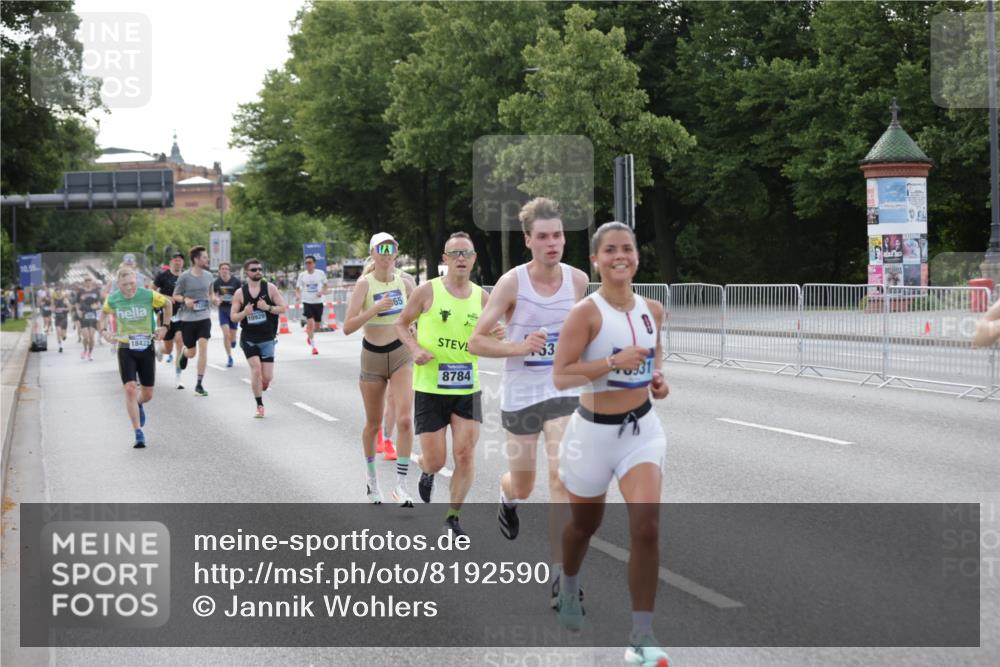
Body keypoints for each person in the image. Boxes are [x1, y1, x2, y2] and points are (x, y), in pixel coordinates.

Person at [550, 221, 671, 667]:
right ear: (596, 260)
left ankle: (641, 635)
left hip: (641, 431)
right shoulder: (586, 313)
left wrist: (658, 381)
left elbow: (655, 359)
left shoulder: (654, 310)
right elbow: (561, 375)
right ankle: (568, 584)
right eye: (610, 250)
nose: (620, 256)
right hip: (593, 434)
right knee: (584, 526)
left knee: (647, 527)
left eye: (627, 249)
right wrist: (610, 362)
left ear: (637, 256)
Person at [468, 197, 589, 604]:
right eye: (543, 237)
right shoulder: (511, 283)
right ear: (528, 240)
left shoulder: (577, 280)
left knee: (561, 478)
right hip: (520, 393)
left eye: (557, 235)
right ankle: (507, 498)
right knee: (524, 483)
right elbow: (476, 342)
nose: (553, 243)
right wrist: (519, 346)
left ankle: (563, 577)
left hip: (562, 390)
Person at [395, 232, 501, 535]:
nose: (461, 259)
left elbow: (490, 333)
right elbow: (401, 324)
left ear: (474, 259)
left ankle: (452, 518)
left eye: (466, 253)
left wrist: (498, 334)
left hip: (468, 387)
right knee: (436, 460)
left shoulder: (482, 297)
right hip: (430, 388)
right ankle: (426, 470)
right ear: (445, 259)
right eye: (454, 254)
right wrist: (415, 349)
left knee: (465, 454)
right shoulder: (427, 291)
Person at [344, 233, 417, 506]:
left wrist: (414, 328)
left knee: (405, 419)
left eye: (391, 249)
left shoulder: (405, 282)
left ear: (396, 253)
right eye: (381, 249)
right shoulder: (364, 284)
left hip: (401, 354)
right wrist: (373, 309)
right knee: (373, 424)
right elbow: (348, 326)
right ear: (372, 253)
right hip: (372, 357)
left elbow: (419, 314)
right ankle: (372, 480)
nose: (386, 254)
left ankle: (401, 485)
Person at [98, 266, 171, 448]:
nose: (130, 287)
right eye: (125, 285)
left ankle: (139, 403)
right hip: (125, 347)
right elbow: (103, 316)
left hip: (146, 347)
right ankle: (138, 432)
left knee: (147, 394)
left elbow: (168, 304)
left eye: (132, 283)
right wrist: (104, 331)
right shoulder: (113, 299)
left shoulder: (148, 295)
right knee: (130, 388)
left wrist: (165, 327)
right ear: (119, 284)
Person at [230, 258, 286, 418]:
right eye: (254, 270)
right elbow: (233, 317)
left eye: (260, 269)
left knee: (267, 377)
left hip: (267, 338)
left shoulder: (270, 288)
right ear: (246, 272)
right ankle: (259, 405)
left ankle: (263, 384)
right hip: (249, 339)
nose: (258, 272)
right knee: (256, 370)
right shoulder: (240, 293)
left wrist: (267, 307)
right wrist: (244, 313)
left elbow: (283, 308)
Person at [173, 246, 214, 396]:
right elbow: (176, 295)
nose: (207, 259)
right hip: (188, 319)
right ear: (196, 259)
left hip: (204, 317)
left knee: (203, 347)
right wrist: (185, 300)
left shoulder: (209, 276)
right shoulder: (184, 277)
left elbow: (210, 293)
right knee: (192, 353)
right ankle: (184, 353)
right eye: (204, 257)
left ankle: (199, 384)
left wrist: (214, 299)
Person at [154, 253, 185, 366]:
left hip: (182, 313)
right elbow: (152, 291)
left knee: (179, 339)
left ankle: (178, 369)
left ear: (183, 263)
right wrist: (167, 298)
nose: (178, 262)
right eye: (175, 260)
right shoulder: (163, 276)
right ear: (171, 262)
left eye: (180, 260)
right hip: (167, 314)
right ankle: (160, 350)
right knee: (168, 349)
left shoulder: (186, 276)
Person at [295, 255, 329, 356]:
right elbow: (297, 288)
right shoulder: (302, 275)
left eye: (310, 262)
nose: (308, 264)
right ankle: (313, 347)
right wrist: (298, 295)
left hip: (318, 302)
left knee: (317, 326)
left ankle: (309, 334)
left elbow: (326, 285)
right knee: (311, 323)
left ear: (314, 264)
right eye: (306, 263)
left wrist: (322, 292)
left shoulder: (320, 273)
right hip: (307, 301)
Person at [212, 261, 242, 368]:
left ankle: (233, 340)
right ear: (219, 271)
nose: (224, 271)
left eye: (226, 269)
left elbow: (242, 294)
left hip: (234, 309)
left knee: (232, 337)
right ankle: (229, 357)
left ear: (229, 271)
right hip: (223, 309)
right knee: (226, 334)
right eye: (222, 269)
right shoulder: (217, 282)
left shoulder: (236, 281)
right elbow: (213, 295)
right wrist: (216, 300)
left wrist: (235, 299)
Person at [76, 276, 103, 361]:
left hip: (93, 315)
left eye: (89, 280)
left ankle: (90, 353)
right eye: (86, 280)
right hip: (83, 315)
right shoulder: (80, 291)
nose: (88, 281)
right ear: (84, 282)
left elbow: (99, 303)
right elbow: (77, 303)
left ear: (92, 281)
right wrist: (78, 311)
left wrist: (97, 307)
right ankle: (85, 350)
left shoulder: (96, 291)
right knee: (86, 337)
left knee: (91, 337)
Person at [51, 287, 71, 353]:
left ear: (61, 292)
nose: (58, 293)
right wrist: (53, 309)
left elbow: (69, 308)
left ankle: (64, 336)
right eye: (56, 292)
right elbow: (52, 309)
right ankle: (60, 346)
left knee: (63, 335)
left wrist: (63, 309)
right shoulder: (53, 300)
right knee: (58, 332)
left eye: (59, 292)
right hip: (57, 318)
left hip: (64, 318)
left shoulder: (65, 299)